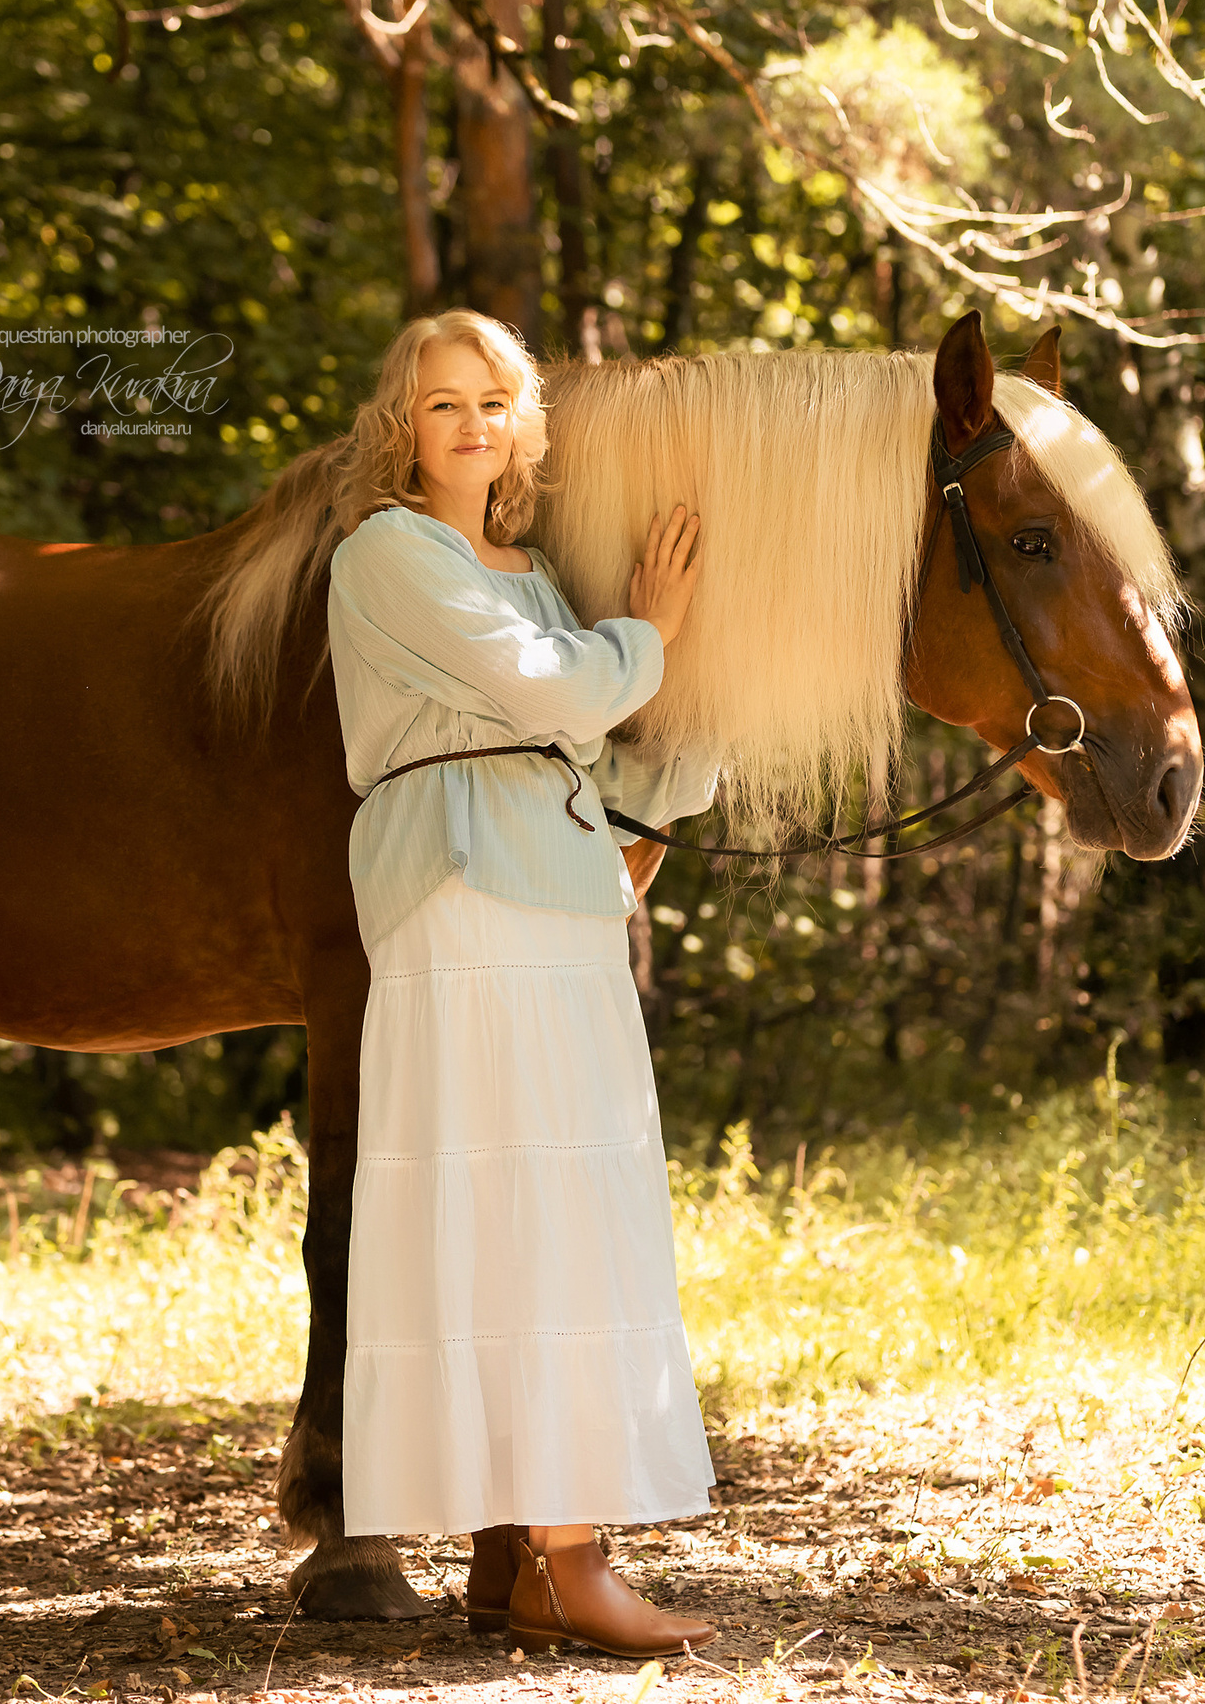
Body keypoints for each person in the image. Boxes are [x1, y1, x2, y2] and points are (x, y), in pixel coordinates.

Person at [323, 307, 724, 1660]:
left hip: (558, 896)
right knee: (525, 1199)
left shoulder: (537, 572)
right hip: (463, 891)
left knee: (574, 1196)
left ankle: (525, 1555)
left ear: (520, 424)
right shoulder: (389, 554)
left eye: (492, 401)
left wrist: (700, 704)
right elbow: (547, 690)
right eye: (443, 403)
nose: (471, 424)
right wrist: (648, 635)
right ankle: (568, 1557)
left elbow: (604, 756)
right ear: (405, 428)